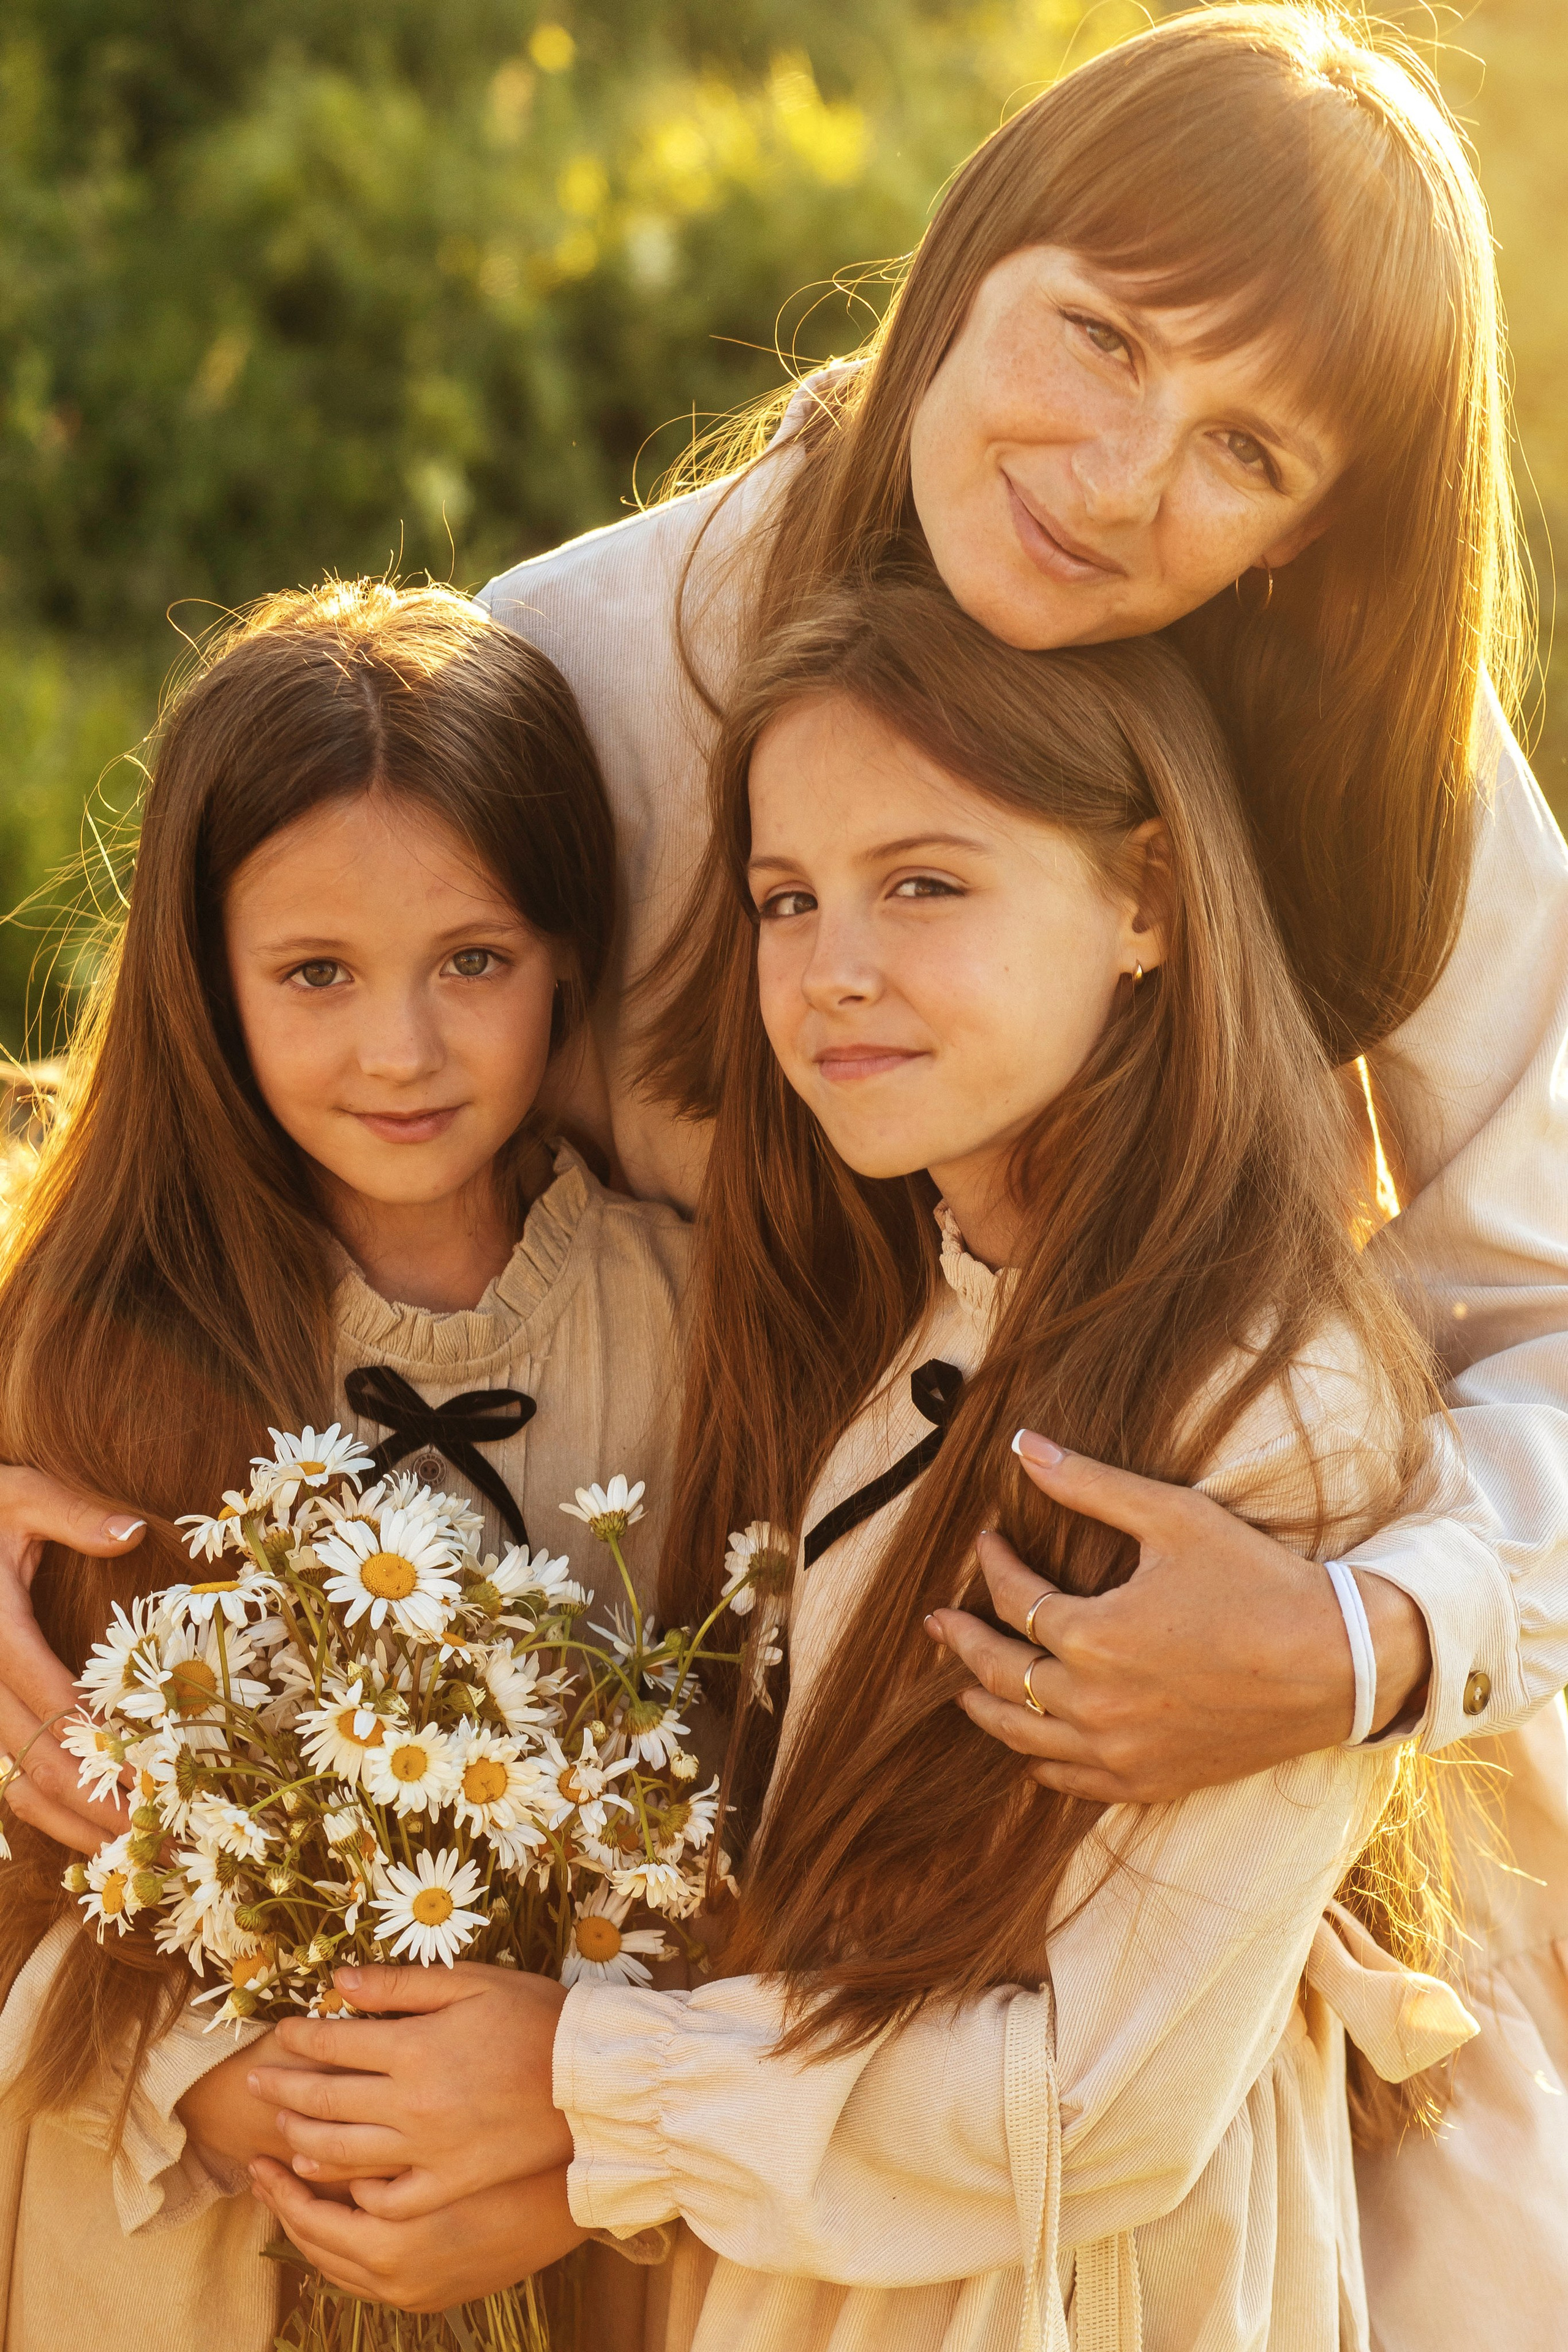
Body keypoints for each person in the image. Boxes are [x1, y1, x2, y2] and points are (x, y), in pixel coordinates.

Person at [1, 3, 1565, 2337]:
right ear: (963, 263)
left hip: (1110, 1780)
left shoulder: (1363, 748)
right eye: (1099, 338)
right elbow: (258, 1112)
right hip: (618, 1754)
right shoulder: (587, 659)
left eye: (1249, 449)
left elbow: (1540, 1310)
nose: (1128, 476)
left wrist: (1353, 1638)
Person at [246, 575, 1478, 2346]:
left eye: (925, 883)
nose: (835, 971)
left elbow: (1099, 2105)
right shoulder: (892, 1306)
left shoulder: (1263, 1403)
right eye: (786, 899)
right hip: (803, 2267)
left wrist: (584, 2096)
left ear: (1146, 895)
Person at [0, 579, 689, 2351]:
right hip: (173, 2224)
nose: (403, 1049)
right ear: (207, 981)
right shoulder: (96, 1339)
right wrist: (206, 2079)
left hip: (573, 2222)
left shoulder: (690, 1321)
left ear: (569, 957)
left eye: (475, 962)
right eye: (317, 973)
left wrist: (573, 2109)